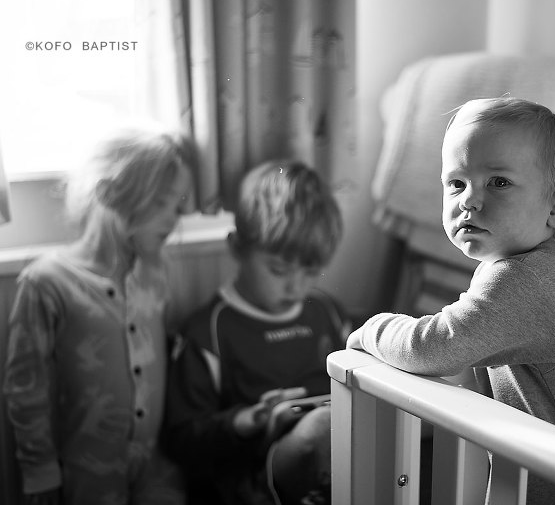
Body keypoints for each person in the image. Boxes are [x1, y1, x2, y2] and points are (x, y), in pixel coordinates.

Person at [346, 97, 555, 504]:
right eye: (456, 183)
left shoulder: (523, 282)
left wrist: (374, 328)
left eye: (498, 182)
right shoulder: (544, 269)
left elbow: (434, 346)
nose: (470, 200)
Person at [3, 125, 197, 505]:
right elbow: (26, 389)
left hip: (154, 464)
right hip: (85, 470)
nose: (175, 218)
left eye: (179, 205)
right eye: (163, 203)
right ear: (111, 193)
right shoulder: (47, 283)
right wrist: (39, 475)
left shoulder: (155, 272)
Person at [164, 160, 348, 505]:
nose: (296, 287)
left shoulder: (327, 311)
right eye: (278, 270)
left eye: (311, 272)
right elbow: (181, 439)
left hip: (336, 451)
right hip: (254, 472)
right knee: (322, 429)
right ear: (237, 247)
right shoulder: (208, 331)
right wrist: (242, 421)